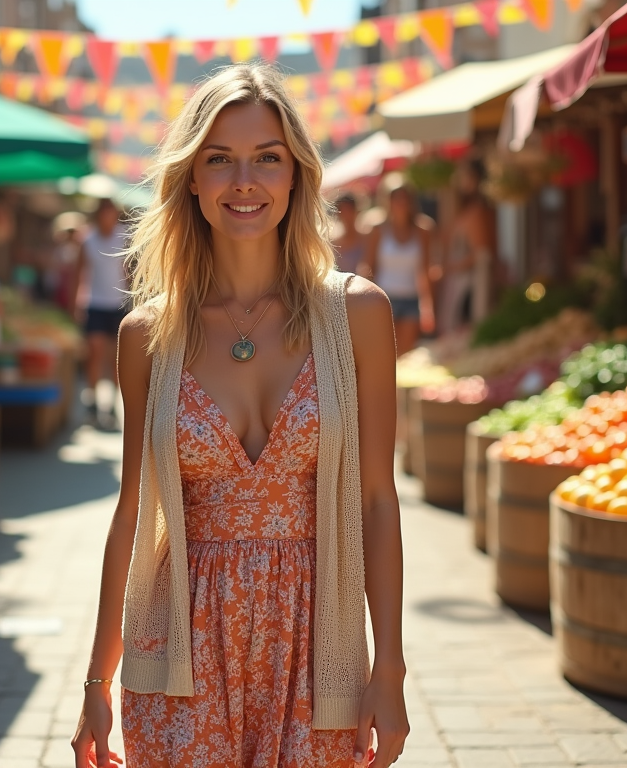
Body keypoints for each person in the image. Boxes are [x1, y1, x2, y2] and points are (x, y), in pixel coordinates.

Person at [71, 63, 409, 768]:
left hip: (319, 651)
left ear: (296, 177)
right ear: (191, 179)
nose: (244, 180)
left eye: (267, 158)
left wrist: (390, 669)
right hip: (181, 655)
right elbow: (132, 513)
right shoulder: (147, 336)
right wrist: (97, 684)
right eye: (219, 159)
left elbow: (379, 501)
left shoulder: (359, 316)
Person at [72, 198, 129, 426]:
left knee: (116, 359)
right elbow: (79, 273)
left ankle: (113, 403)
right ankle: (93, 401)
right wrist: (74, 305)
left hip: (118, 303)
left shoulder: (124, 237)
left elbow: (131, 270)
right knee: (94, 353)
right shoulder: (87, 240)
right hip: (94, 303)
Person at [363, 185, 434, 356]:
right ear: (389, 202)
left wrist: (428, 307)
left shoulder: (423, 230)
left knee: (406, 353)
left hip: (411, 298)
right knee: (386, 352)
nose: (401, 203)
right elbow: (368, 267)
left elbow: (425, 271)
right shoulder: (378, 230)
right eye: (397, 199)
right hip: (384, 299)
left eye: (405, 198)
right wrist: (368, 300)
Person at [442, 161, 496, 333]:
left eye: (467, 176)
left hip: (468, 287)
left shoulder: (477, 212)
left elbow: (481, 255)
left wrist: (449, 266)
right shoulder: (465, 211)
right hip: (460, 284)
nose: (461, 181)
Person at [332, 193, 367, 276]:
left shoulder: (367, 240)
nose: (346, 216)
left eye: (349, 211)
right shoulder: (332, 243)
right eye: (343, 212)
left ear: (356, 212)